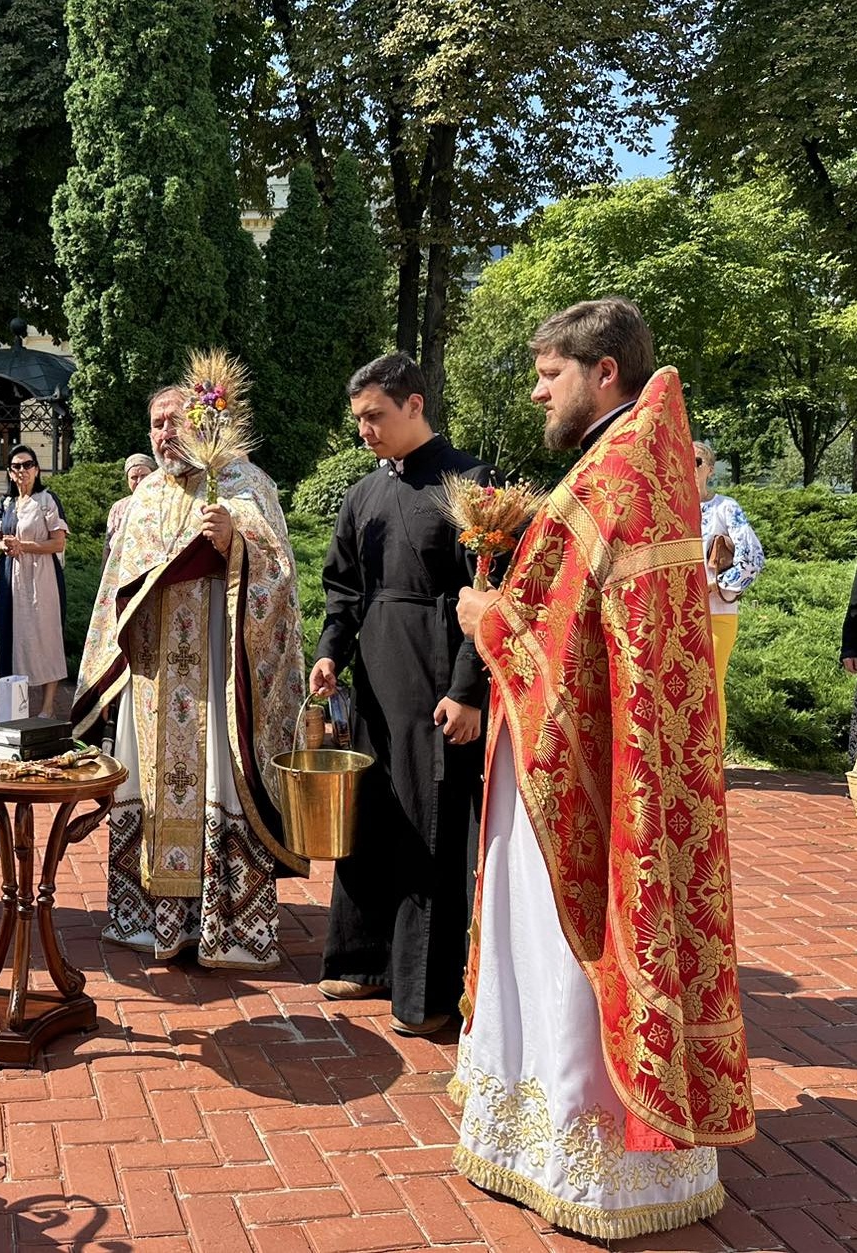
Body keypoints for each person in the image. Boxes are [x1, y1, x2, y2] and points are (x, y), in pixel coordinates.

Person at [452, 299, 754, 1238]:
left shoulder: (608, 476)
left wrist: (482, 614)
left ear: (604, 372)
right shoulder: (646, 469)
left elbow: (548, 631)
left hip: (570, 762)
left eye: (551, 373)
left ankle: (576, 1159)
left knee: (555, 942)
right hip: (617, 754)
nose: (540, 391)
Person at [72, 386, 307, 969]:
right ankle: (151, 922)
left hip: (217, 678)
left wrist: (235, 542)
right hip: (153, 679)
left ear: (205, 423)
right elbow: (113, 590)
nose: (162, 433)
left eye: (174, 421)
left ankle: (226, 925)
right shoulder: (145, 496)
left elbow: (279, 572)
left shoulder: (245, 485)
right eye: (154, 424)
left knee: (217, 782)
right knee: (147, 789)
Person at [311, 353, 499, 1037]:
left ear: (414, 404)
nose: (365, 429)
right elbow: (344, 590)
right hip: (375, 685)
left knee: (431, 830)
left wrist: (467, 689)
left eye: (375, 416)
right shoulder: (362, 495)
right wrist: (330, 652)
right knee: (372, 822)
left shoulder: (473, 483)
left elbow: (487, 595)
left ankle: (428, 994)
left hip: (437, 684)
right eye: (358, 418)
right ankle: (361, 961)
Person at [694, 440, 763, 743]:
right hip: (676, 615)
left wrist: (716, 585)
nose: (688, 465)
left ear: (709, 469)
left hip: (716, 613)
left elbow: (753, 556)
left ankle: (712, 761)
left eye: (696, 461)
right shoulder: (668, 509)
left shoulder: (725, 507)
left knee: (710, 684)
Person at [0, 444, 69, 718]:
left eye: (27, 465)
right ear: (10, 473)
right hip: (11, 576)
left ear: (37, 469)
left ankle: (47, 706)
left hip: (41, 577)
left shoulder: (48, 500)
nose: (22, 470)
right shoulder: (6, 503)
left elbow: (57, 543)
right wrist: (4, 546)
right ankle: (14, 704)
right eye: (16, 466)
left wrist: (23, 545)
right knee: (11, 634)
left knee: (45, 635)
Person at [102, 452, 155, 565]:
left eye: (144, 476)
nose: (139, 481)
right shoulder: (118, 507)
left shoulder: (164, 503)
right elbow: (108, 546)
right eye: (134, 477)